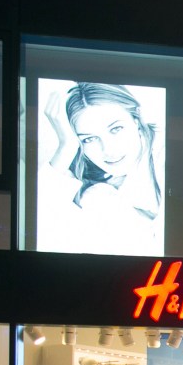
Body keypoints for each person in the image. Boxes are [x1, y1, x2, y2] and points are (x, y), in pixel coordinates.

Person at [41, 81, 162, 255]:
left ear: (137, 120)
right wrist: (66, 146)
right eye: (88, 139)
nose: (108, 149)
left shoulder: (166, 157)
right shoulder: (98, 195)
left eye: (116, 129)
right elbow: (43, 234)